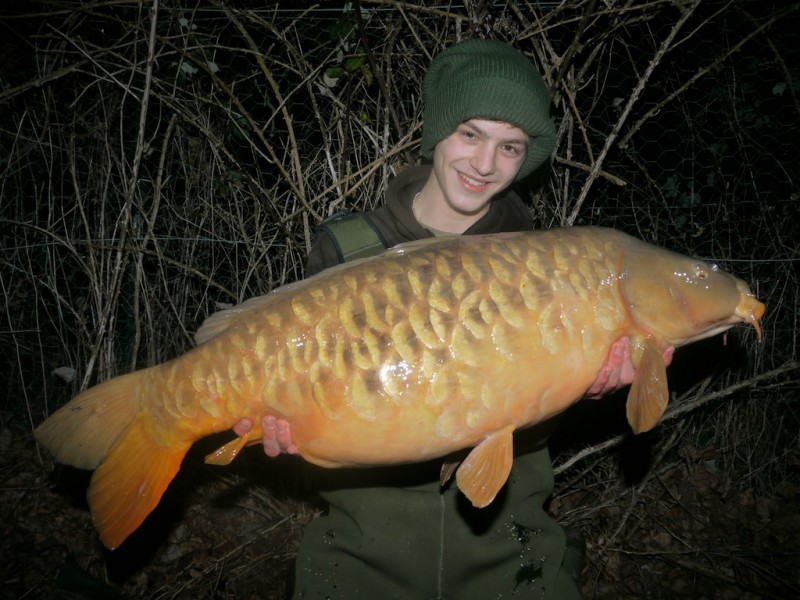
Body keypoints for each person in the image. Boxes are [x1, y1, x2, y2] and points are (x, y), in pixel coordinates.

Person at [235, 39, 673, 599]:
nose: (485, 164)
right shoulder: (347, 249)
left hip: (511, 544)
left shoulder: (556, 268)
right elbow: (315, 410)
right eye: (470, 133)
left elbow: (526, 414)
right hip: (363, 546)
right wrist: (289, 424)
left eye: (510, 146)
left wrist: (588, 388)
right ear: (437, 131)